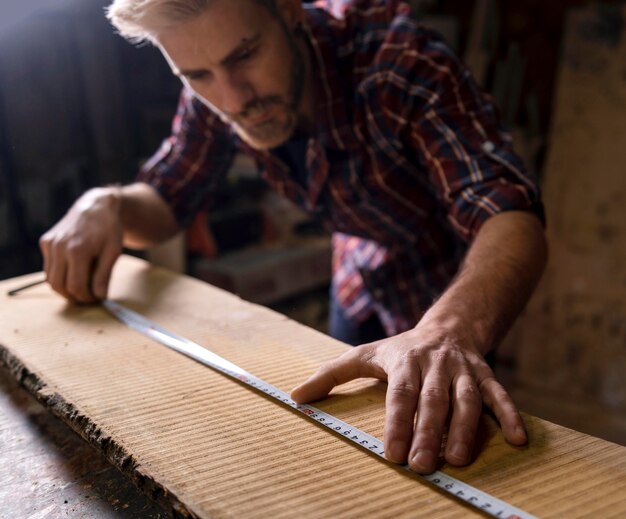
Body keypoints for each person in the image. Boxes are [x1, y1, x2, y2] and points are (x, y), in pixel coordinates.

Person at [39, 0, 548, 475]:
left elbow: (508, 216)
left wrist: (448, 332)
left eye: (245, 54)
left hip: (456, 286)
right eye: (197, 75)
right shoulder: (216, 87)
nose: (234, 98)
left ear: (288, 10)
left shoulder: (398, 62)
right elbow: (167, 200)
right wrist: (104, 203)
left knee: (445, 440)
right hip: (357, 271)